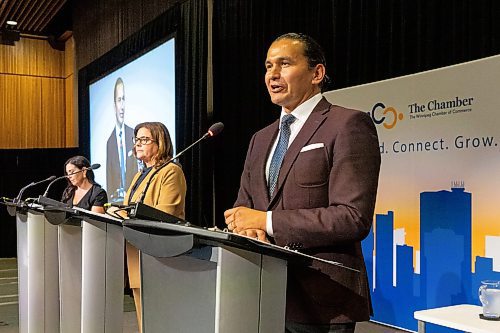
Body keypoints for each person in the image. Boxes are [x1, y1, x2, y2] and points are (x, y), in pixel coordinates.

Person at [224, 33, 381, 333]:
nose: (272, 74)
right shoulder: (260, 139)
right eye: (268, 66)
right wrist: (247, 225)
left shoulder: (348, 124)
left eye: (284, 64)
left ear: (317, 74)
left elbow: (352, 217)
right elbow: (244, 206)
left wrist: (267, 221)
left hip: (321, 300)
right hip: (262, 293)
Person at [121, 122, 186, 331]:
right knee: (143, 317)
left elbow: (165, 215)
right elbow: (125, 209)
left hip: (157, 255)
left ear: (161, 143)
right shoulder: (139, 175)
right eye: (136, 140)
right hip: (136, 253)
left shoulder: (170, 172)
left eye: (144, 140)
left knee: (160, 318)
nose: (138, 144)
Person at [106, 77, 138, 202]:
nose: (123, 106)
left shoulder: (134, 133)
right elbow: (110, 180)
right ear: (114, 105)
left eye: (124, 99)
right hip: (117, 204)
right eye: (119, 100)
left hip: (135, 201)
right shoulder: (110, 142)